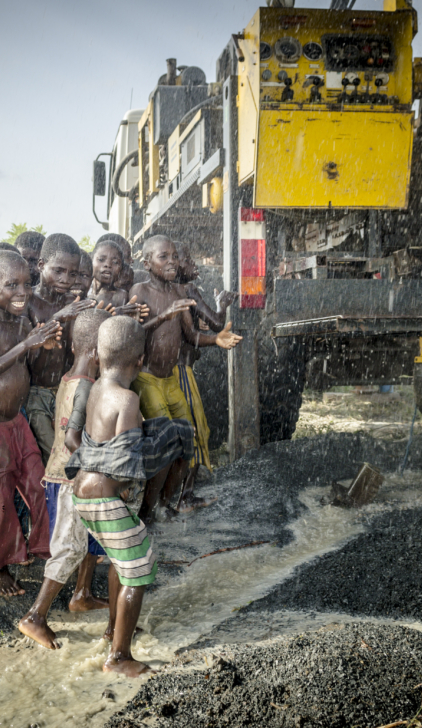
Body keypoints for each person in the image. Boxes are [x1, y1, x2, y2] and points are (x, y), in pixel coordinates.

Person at [68, 316, 194, 676]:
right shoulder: (127, 399)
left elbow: (93, 440)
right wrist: (166, 442)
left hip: (84, 492)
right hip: (107, 496)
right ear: (139, 362)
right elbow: (127, 462)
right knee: (138, 571)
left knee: (118, 561)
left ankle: (114, 627)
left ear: (99, 356)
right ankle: (119, 656)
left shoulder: (92, 389)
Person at [0, 250, 62, 596]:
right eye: (12, 285)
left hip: (16, 420)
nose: (22, 292)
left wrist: (42, 345)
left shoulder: (19, 319)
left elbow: (26, 360)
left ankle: (41, 547)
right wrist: (27, 344)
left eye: (27, 283)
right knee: (1, 499)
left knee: (40, 483)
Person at [129, 235, 242, 518]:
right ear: (147, 262)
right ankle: (147, 510)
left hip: (170, 380)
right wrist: (163, 316)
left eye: (174, 257)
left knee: (187, 437)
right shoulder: (139, 291)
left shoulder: (180, 293)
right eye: (163, 257)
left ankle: (168, 503)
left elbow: (190, 336)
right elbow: (130, 335)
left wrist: (216, 339)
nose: (171, 263)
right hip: (147, 378)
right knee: (164, 442)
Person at [18, 308, 111, 649]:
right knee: (69, 547)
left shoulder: (69, 377)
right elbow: (73, 440)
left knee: (87, 538)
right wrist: (101, 463)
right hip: (72, 480)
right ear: (97, 352)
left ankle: (82, 593)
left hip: (61, 474)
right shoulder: (87, 387)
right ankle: (36, 615)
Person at [173, 239, 236, 510]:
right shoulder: (188, 290)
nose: (194, 263)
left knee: (183, 431)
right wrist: (221, 304)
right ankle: (185, 496)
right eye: (188, 258)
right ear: (175, 262)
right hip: (181, 372)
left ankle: (175, 493)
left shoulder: (168, 289)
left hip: (171, 371)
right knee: (196, 430)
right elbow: (217, 323)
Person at [26, 234, 94, 464]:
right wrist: (57, 318)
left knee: (67, 450)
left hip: (64, 388)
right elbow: (25, 355)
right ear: (41, 265)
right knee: (52, 452)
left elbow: (73, 352)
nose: (66, 279)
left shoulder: (71, 303)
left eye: (72, 273)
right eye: (58, 271)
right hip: (33, 393)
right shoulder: (28, 302)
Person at [90, 239, 130, 308]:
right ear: (91, 261)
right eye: (101, 259)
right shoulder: (81, 289)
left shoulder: (120, 296)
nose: (108, 265)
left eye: (115, 262)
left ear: (121, 268)